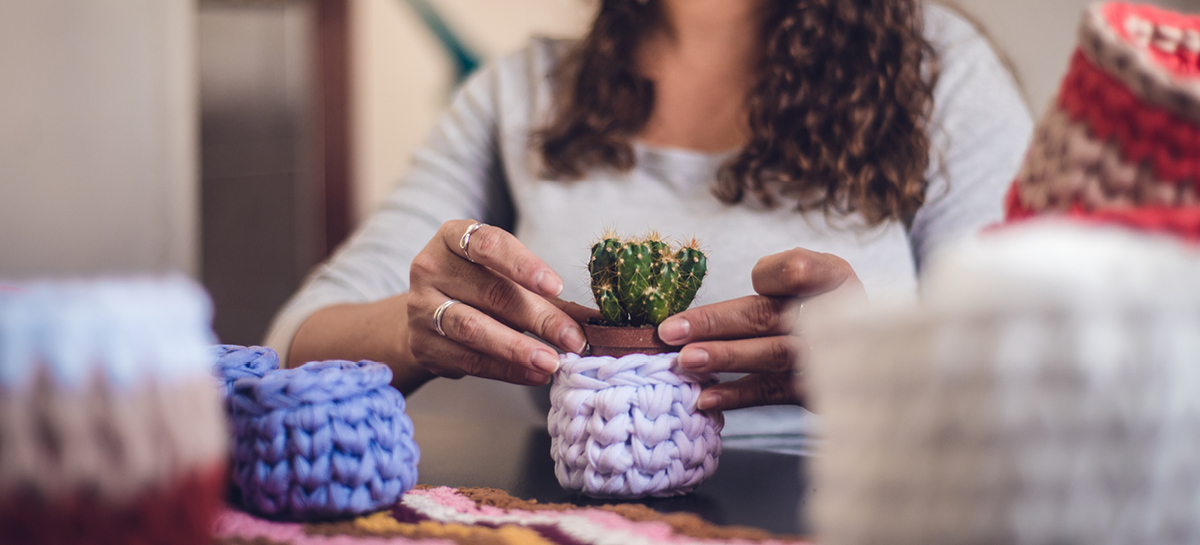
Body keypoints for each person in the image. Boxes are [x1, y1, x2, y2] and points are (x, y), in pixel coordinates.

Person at [265, 0, 1030, 452]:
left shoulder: (940, 76)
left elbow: (1044, 391)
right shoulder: (521, 96)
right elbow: (294, 343)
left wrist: (885, 368)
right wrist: (416, 330)